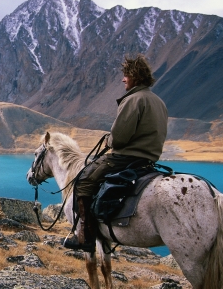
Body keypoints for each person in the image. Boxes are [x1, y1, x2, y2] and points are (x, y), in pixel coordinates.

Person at [64, 53, 168, 253]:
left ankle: (85, 236)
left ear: (135, 77)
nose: (123, 79)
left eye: (126, 75)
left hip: (125, 158)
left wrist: (109, 139)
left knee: (83, 181)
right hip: (147, 160)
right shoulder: (158, 102)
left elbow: (119, 138)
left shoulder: (133, 100)